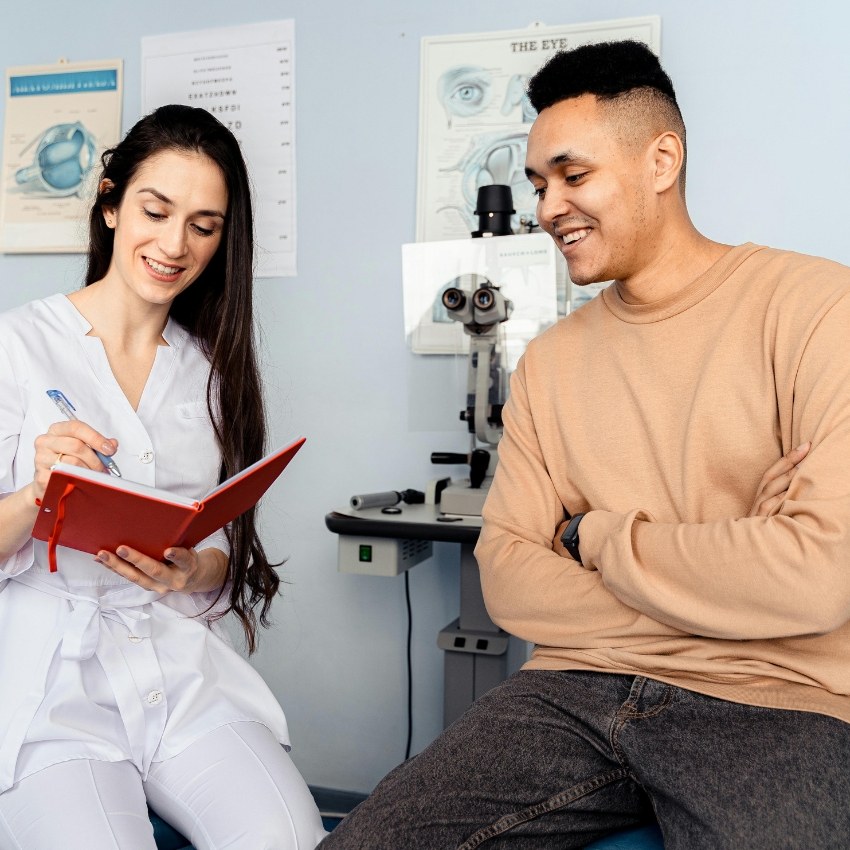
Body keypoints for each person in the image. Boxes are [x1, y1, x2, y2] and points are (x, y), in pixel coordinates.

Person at [321, 40, 850, 849]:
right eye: (538, 185)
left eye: (573, 175)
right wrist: (732, 588)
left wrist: (590, 536)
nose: (545, 207)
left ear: (661, 159)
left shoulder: (817, 309)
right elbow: (509, 576)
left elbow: (816, 580)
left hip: (778, 696)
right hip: (572, 692)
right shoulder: (552, 361)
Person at [0, 106, 326, 850]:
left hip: (177, 676)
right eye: (155, 210)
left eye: (204, 226)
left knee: (290, 840)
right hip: (48, 689)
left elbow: (227, 560)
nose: (175, 244)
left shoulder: (211, 373)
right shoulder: (16, 348)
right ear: (111, 205)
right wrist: (31, 496)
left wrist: (189, 569)